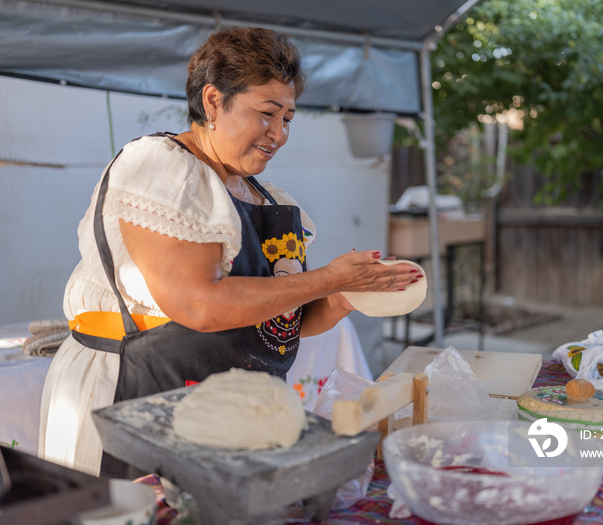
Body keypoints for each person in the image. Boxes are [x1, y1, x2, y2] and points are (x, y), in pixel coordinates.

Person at [38, 27, 421, 477]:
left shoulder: (271, 200)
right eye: (267, 113)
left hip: (220, 408)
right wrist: (329, 279)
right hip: (134, 397)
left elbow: (281, 322)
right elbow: (198, 305)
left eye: (289, 119)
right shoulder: (161, 168)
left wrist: (346, 294)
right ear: (213, 102)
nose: (278, 133)